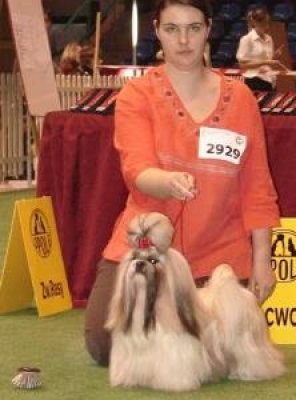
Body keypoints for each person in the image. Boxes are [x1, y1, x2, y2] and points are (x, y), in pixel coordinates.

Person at [84, 0, 280, 366]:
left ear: (209, 30)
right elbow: (136, 169)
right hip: (148, 249)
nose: (184, 40)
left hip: (219, 257)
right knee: (105, 343)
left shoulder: (241, 99)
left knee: (227, 344)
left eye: (194, 28)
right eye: (172, 29)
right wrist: (167, 181)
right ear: (157, 31)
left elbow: (257, 187)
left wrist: (262, 260)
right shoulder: (136, 95)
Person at [236, 6, 286, 92]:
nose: (266, 26)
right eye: (263, 24)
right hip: (254, 80)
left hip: (269, 80)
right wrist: (265, 62)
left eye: (267, 23)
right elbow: (242, 65)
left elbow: (268, 62)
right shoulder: (246, 39)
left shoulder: (269, 39)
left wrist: (274, 56)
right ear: (255, 23)